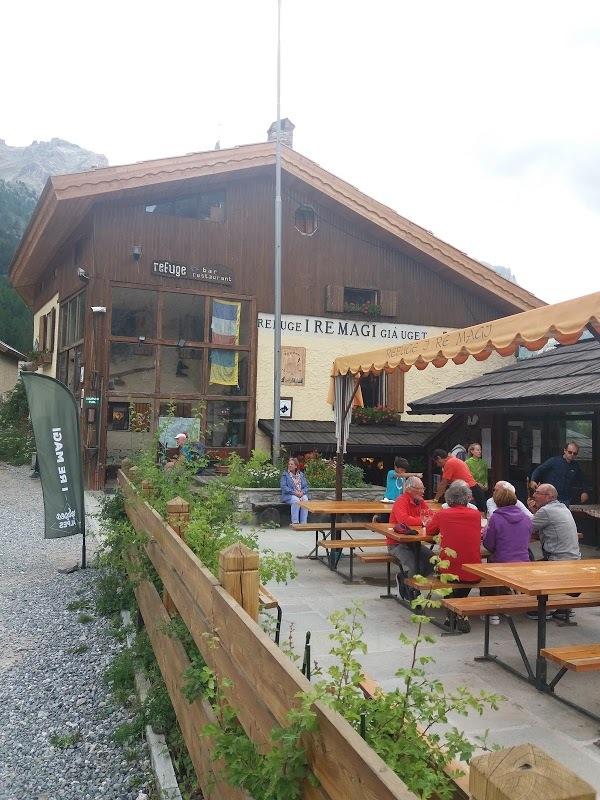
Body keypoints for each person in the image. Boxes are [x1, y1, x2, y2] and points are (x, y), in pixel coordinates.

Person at [426, 479, 483, 633]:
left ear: (448, 498)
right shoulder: (476, 514)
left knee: (443, 573)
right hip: (473, 570)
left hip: (449, 570)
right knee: (466, 578)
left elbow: (429, 532)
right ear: (468, 498)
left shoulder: (442, 514)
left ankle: (452, 610)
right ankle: (459, 610)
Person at [527, 483, 581, 620]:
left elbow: (527, 527)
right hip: (573, 558)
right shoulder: (562, 507)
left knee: (528, 570)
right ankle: (564, 608)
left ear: (549, 497)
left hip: (558, 559)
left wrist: (531, 509)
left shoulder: (546, 511)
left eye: (538, 493)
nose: (534, 495)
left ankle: (543, 610)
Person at [481, 486, 532, 624]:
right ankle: (506, 603)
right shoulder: (526, 518)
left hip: (501, 562)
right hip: (523, 561)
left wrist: (485, 531)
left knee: (485, 570)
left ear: (497, 501)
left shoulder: (496, 518)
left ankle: (492, 612)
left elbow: (489, 544)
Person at [387, 477, 434, 597]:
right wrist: (423, 521)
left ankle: (404, 580)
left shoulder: (420, 501)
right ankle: (410, 592)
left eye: (423, 488)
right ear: (409, 489)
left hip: (414, 542)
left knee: (434, 561)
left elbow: (431, 516)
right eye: (419, 489)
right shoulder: (401, 501)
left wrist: (423, 521)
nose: (422, 491)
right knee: (416, 565)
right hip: (397, 543)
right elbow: (404, 520)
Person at [529, 442, 589, 507]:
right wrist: (533, 480)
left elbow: (582, 480)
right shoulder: (554, 461)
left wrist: (584, 492)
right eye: (570, 452)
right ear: (565, 450)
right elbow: (539, 470)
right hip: (551, 498)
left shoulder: (575, 466)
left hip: (566, 499)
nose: (572, 454)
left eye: (575, 453)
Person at [432, 448, 487, 512]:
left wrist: (435, 499)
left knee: (474, 513)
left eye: (437, 462)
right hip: (473, 489)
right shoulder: (453, 459)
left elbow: (444, 483)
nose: (438, 465)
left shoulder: (449, 463)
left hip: (470, 491)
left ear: (439, 458)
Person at [280, 457, 309, 524]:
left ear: (296, 466)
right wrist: (294, 493)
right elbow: (284, 488)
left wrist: (302, 492)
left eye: (292, 464)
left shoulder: (301, 475)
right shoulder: (285, 475)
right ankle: (295, 523)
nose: (290, 465)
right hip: (288, 495)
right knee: (296, 500)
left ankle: (303, 523)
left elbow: (306, 487)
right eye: (289, 464)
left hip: (300, 494)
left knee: (305, 499)